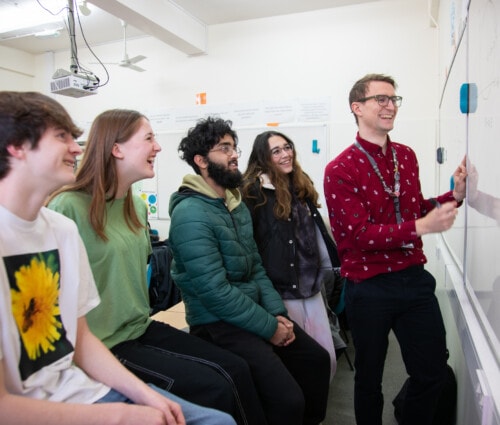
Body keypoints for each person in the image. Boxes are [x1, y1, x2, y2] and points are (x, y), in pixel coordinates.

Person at [0, 91, 235, 425]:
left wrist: (144, 395)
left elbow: (79, 338)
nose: (77, 149)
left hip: (82, 383)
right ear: (17, 146)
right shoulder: (65, 211)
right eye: (62, 137)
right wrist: (121, 415)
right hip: (59, 398)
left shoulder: (61, 230)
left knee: (218, 414)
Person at [47, 109, 264, 425]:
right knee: (216, 386)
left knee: (237, 367)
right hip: (104, 344)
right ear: (116, 148)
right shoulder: (67, 207)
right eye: (148, 138)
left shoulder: (135, 205)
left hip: (140, 327)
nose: (158, 147)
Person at [323, 73, 467, 425]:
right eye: (381, 99)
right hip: (369, 286)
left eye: (394, 99)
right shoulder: (339, 169)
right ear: (357, 108)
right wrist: (419, 228)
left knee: (432, 371)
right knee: (369, 379)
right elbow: (359, 234)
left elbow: (414, 208)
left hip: (414, 280)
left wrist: (456, 196)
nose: (390, 106)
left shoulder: (406, 155)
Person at [168, 116, 331, 425]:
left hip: (253, 312)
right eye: (223, 148)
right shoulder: (190, 213)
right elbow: (215, 293)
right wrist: (270, 328)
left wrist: (277, 313)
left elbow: (256, 266)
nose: (234, 155)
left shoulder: (235, 204)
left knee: (316, 361)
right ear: (201, 161)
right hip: (217, 324)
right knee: (287, 399)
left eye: (234, 147)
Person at [241, 130, 341, 379]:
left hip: (311, 287)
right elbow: (251, 246)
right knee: (296, 363)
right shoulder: (254, 193)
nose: (286, 154)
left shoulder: (299, 184)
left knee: (325, 359)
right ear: (263, 158)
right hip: (281, 291)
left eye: (287, 147)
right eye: (277, 151)